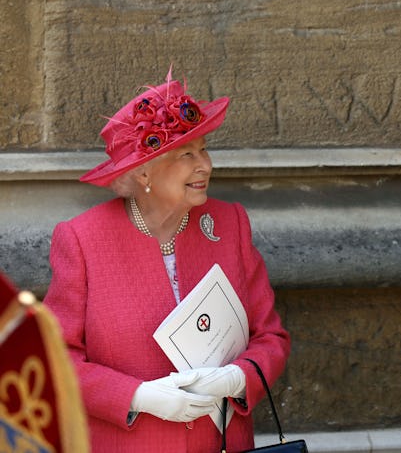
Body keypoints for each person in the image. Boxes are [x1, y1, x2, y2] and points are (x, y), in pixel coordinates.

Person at [43, 67, 291, 452]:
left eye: (204, 149)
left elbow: (270, 337)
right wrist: (138, 396)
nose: (204, 165)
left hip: (222, 444)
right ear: (143, 171)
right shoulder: (82, 240)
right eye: (185, 154)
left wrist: (236, 379)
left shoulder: (230, 224)